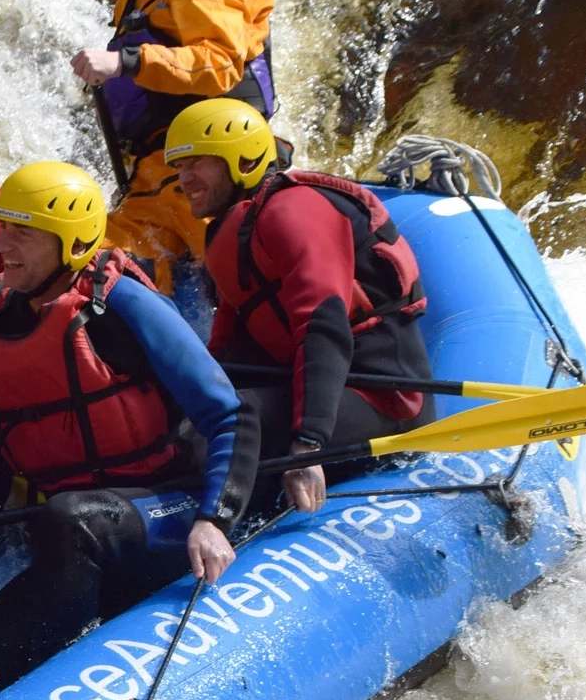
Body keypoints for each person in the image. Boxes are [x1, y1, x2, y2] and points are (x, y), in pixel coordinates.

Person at [0, 162, 246, 685]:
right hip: (69, 524)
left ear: (70, 242)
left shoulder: (124, 305)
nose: (2, 245)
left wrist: (215, 518)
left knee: (71, 520)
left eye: (23, 231)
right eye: (3, 226)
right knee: (60, 523)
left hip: (166, 507)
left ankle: (2, 677)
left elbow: (227, 415)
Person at [165, 98, 432, 516]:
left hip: (384, 397)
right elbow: (230, 347)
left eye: (197, 162)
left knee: (237, 419)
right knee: (191, 412)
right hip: (312, 392)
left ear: (246, 159)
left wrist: (308, 445)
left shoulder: (294, 209)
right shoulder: (231, 234)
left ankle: (228, 529)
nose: (185, 179)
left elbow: (323, 325)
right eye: (179, 168)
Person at [70, 0, 276, 296]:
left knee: (242, 286)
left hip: (219, 177)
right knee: (87, 267)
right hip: (155, 179)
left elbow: (219, 65)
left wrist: (126, 60)